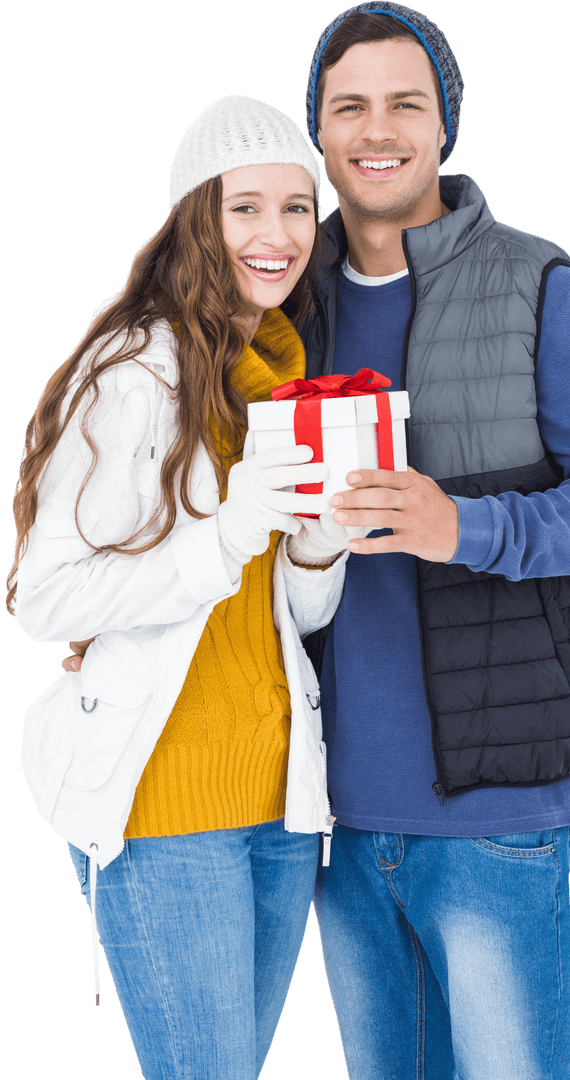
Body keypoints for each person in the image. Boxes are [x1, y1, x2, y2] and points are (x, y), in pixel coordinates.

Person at [280, 4, 570, 1079]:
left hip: (497, 821)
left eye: (405, 103)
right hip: (335, 827)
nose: (377, 129)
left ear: (443, 124)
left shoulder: (532, 285)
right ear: (318, 130)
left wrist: (469, 527)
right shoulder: (280, 307)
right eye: (347, 105)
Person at [8, 94, 354, 1080]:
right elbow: (47, 598)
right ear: (194, 218)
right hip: (167, 810)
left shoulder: (278, 379)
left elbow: (279, 620)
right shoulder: (130, 372)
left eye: (297, 208)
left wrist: (317, 547)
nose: (277, 234)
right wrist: (237, 523)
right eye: (245, 207)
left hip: (280, 805)